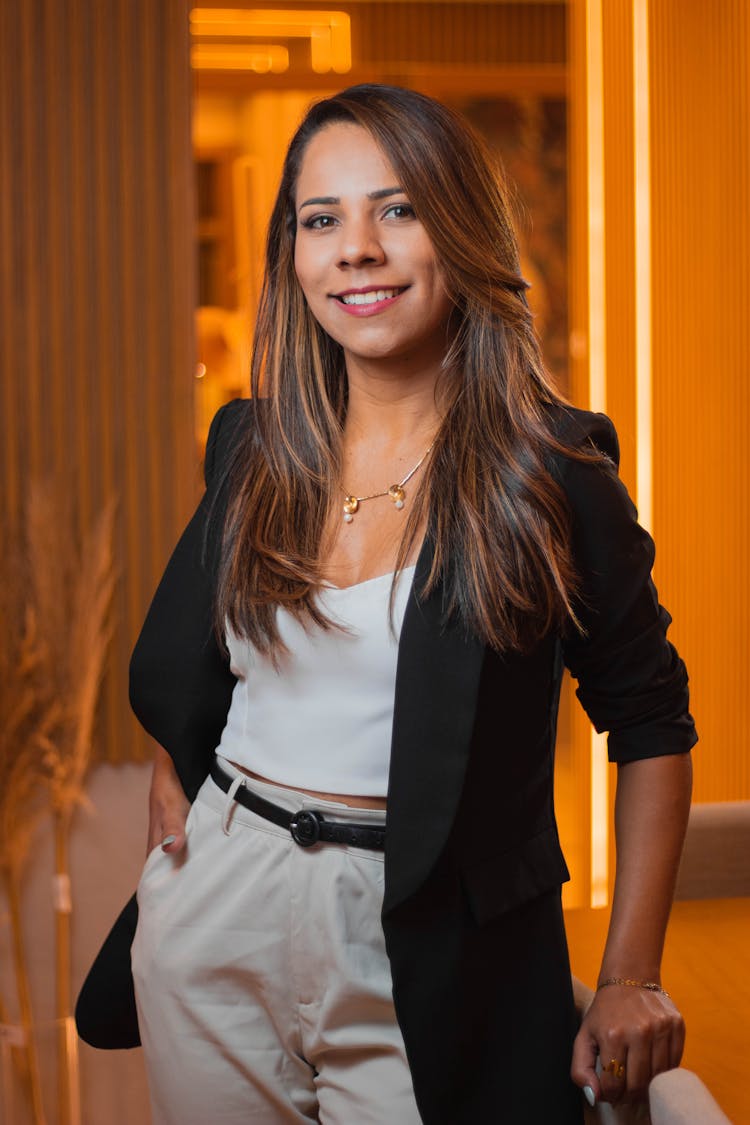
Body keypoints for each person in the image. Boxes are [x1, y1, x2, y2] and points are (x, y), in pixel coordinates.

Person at [76, 84, 696, 1124]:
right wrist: (176, 782)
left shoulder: (551, 474)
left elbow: (651, 725)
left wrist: (630, 973)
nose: (355, 248)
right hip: (220, 912)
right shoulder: (252, 446)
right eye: (322, 220)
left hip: (428, 938)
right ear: (294, 256)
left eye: (396, 210)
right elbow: (208, 665)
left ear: (460, 229)